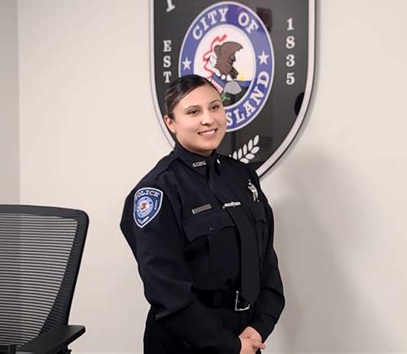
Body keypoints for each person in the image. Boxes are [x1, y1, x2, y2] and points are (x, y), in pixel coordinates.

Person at [120, 75, 284, 354]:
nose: (209, 119)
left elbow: (266, 260)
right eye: (193, 112)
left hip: (247, 337)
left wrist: (259, 326)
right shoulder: (158, 191)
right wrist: (229, 346)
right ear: (171, 123)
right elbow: (167, 292)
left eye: (215, 107)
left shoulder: (243, 177)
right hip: (187, 344)